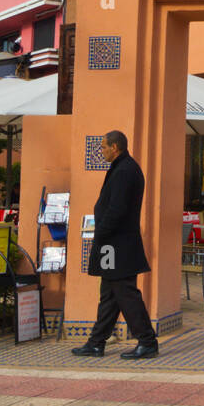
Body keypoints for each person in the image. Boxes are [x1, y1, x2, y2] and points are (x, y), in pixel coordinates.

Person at [72, 130, 159, 359]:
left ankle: (147, 341)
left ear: (115, 147)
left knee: (125, 292)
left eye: (103, 147)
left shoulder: (124, 170)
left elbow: (117, 209)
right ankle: (96, 342)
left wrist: (100, 231)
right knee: (110, 294)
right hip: (114, 242)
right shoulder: (124, 167)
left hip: (117, 243)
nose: (101, 151)